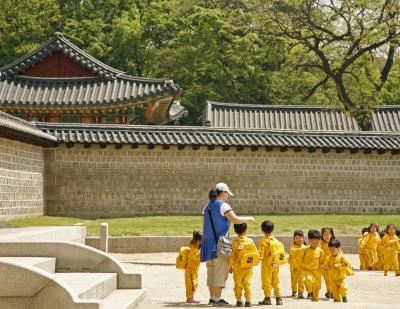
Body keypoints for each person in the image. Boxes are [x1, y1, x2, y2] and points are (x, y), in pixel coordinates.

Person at [201, 183, 255, 307]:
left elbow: (204, 224)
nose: (228, 196)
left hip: (208, 242)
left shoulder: (206, 207)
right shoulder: (223, 205)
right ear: (223, 193)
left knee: (211, 271)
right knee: (221, 271)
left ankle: (212, 298)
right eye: (227, 194)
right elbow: (235, 219)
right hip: (221, 241)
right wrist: (248, 218)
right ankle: (218, 299)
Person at [229, 223, 259, 307]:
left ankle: (239, 300)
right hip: (248, 267)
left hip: (237, 267)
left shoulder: (234, 243)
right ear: (246, 230)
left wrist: (230, 266)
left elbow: (232, 256)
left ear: (235, 231)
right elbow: (255, 254)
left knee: (237, 284)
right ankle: (248, 300)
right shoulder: (250, 241)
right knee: (247, 283)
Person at [258, 220, 284, 306]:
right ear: (273, 230)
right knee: (276, 280)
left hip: (266, 265)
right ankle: (278, 298)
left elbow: (261, 253)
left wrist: (258, 259)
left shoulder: (263, 241)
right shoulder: (276, 241)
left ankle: (267, 298)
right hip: (276, 264)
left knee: (266, 281)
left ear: (262, 230)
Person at [300, 229, 324, 302]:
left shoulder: (320, 251)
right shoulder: (305, 249)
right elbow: (299, 259)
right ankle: (309, 291)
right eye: (313, 242)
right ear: (309, 240)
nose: (315, 243)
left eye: (317, 242)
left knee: (317, 286)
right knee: (309, 280)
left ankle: (314, 298)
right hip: (307, 271)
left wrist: (322, 269)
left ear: (320, 241)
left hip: (317, 271)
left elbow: (321, 262)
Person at [289, 230, 306, 299]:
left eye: (300, 238)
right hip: (294, 267)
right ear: (294, 239)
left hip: (302, 267)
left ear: (303, 238)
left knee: (301, 279)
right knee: (294, 279)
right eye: (296, 238)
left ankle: (300, 292)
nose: (298, 240)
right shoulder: (293, 247)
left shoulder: (305, 247)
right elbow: (292, 254)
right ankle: (294, 290)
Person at [320, 227, 335, 299]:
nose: (326, 236)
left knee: (333, 279)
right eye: (324, 234)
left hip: (332, 266)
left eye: (328, 234)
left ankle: (332, 291)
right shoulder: (321, 244)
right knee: (327, 280)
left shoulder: (334, 243)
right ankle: (329, 291)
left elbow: (340, 251)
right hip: (324, 266)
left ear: (331, 235)